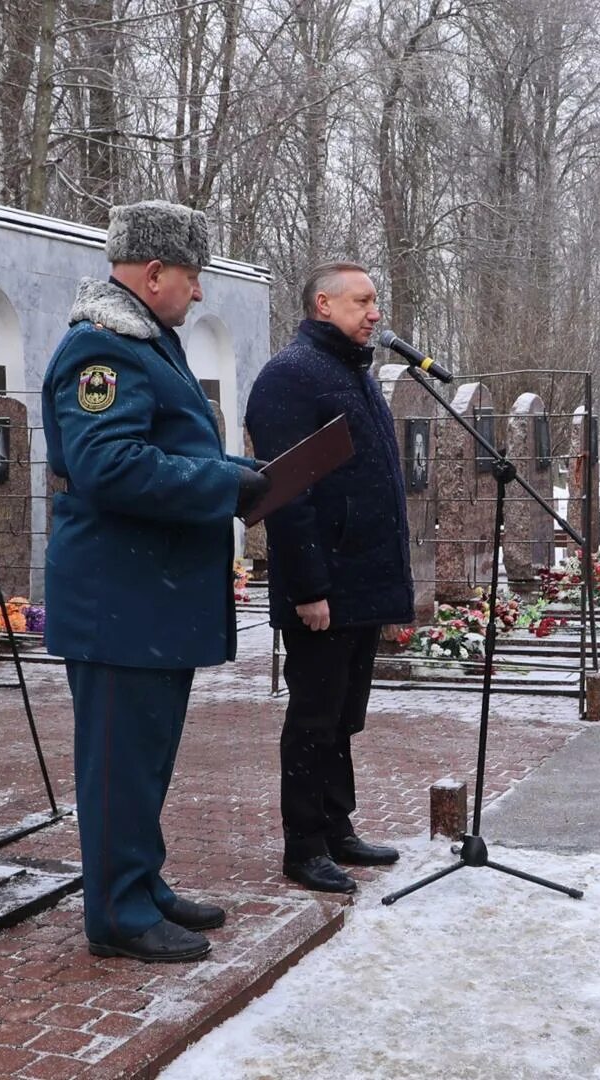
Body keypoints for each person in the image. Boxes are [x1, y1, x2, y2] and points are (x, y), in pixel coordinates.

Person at [43, 200, 268, 964]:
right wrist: (227, 485)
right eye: (193, 277)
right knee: (118, 764)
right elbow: (109, 467)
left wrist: (233, 474)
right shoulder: (99, 350)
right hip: (120, 602)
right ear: (154, 272)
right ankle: (116, 913)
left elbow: (163, 451)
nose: (199, 293)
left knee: (145, 760)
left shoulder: (149, 343)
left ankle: (140, 881)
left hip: (150, 599)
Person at [246, 261, 412, 895]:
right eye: (363, 301)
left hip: (362, 581)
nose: (375, 312)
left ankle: (337, 825)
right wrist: (309, 587)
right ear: (324, 304)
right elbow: (288, 495)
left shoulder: (350, 371)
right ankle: (304, 844)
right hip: (324, 586)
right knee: (314, 716)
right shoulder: (291, 376)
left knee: (345, 714)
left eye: (375, 300)